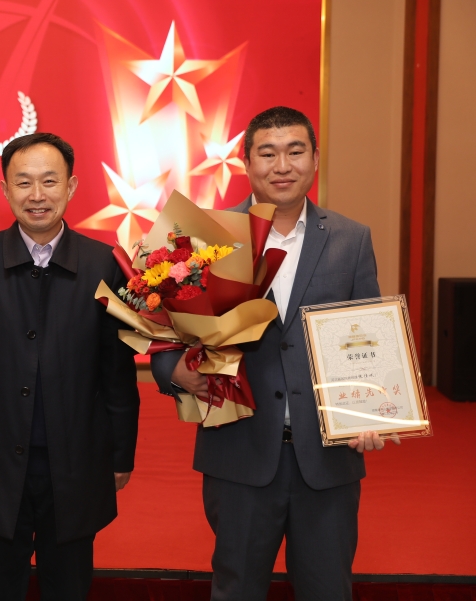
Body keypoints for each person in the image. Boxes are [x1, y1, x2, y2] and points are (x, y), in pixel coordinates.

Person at [151, 106, 393, 601]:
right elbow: (160, 325)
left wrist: (371, 412)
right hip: (239, 452)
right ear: (246, 162)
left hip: (326, 458)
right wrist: (173, 370)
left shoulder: (351, 239)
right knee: (236, 589)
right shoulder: (205, 236)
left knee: (328, 590)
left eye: (295, 151)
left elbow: (368, 336)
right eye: (267, 153)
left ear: (315, 159)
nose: (282, 165)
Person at [0, 132, 140, 601]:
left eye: (50, 181)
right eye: (23, 182)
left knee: (68, 586)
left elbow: (117, 371)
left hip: (77, 462)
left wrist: (120, 454)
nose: (37, 195)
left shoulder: (105, 263)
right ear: (5, 190)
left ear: (71, 187)